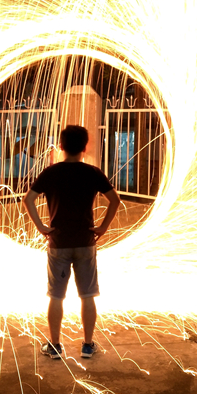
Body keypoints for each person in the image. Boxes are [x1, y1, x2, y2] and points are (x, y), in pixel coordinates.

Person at [23, 125, 120, 359]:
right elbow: (115, 201)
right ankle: (87, 345)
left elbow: (28, 200)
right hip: (86, 242)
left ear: (62, 146)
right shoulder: (93, 172)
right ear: (85, 147)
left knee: (56, 296)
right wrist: (103, 228)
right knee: (87, 295)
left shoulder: (51, 172)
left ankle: (55, 346)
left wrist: (41, 227)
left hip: (58, 243)